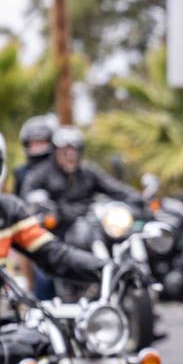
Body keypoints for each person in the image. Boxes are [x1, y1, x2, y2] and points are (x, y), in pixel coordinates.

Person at [19, 125, 140, 302]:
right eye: (65, 151)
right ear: (56, 152)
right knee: (44, 279)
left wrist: (138, 198)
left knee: (122, 235)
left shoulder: (88, 172)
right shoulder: (41, 173)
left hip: (89, 222)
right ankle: (42, 308)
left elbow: (114, 188)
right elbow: (29, 196)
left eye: (75, 151)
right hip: (57, 231)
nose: (71, 156)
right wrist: (43, 206)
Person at [0, 134, 104, 293]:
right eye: (65, 151)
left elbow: (53, 255)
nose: (70, 156)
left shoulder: (8, 210)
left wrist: (106, 268)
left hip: (63, 231)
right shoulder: (37, 174)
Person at [12, 114, 58, 195]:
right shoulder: (21, 172)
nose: (37, 147)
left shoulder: (59, 170)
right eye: (34, 143)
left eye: (41, 142)